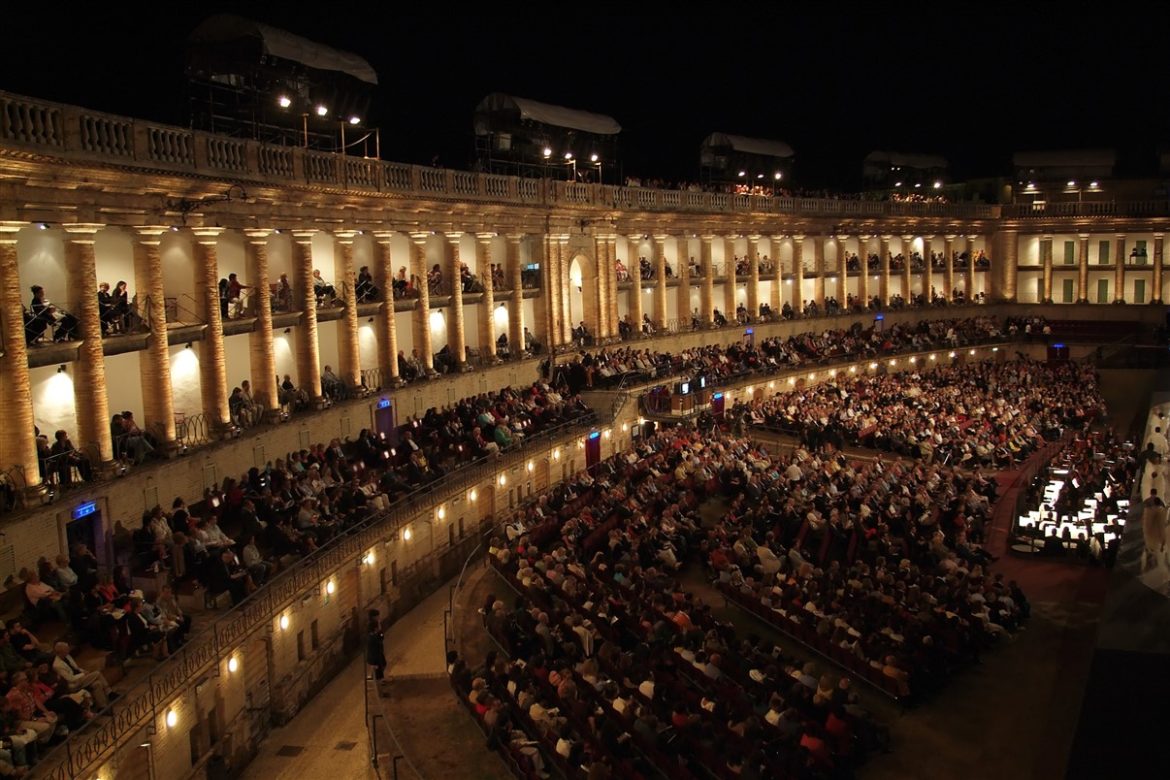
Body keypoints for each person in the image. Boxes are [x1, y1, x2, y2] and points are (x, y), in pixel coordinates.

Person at [51, 642, 111, 709]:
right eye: (66, 649)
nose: (69, 649)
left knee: (97, 684)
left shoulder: (67, 656)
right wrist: (83, 674)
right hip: (73, 684)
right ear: (61, 652)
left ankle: (102, 707)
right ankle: (109, 692)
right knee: (97, 673)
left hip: (80, 678)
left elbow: (76, 668)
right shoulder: (57, 665)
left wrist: (83, 671)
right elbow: (70, 679)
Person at [366, 609, 387, 693]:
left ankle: (377, 681)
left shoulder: (373, 633)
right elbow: (381, 638)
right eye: (377, 616)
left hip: (377, 655)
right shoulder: (373, 635)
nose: (379, 617)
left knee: (384, 665)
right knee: (378, 674)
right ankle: (380, 692)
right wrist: (380, 632)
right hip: (375, 657)